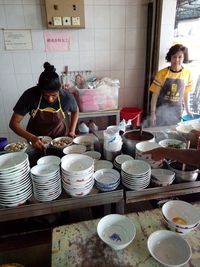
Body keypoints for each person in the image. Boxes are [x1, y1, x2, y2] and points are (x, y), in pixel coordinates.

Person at [9, 62, 79, 151]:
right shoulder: (30, 95)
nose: (50, 99)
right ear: (39, 89)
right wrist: (32, 138)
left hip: (59, 138)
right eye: (46, 95)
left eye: (54, 95)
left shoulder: (66, 97)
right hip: (35, 139)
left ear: (59, 89)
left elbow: (75, 110)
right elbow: (13, 123)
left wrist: (72, 130)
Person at [149, 44, 193, 126]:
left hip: (177, 112)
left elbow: (186, 94)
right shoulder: (162, 73)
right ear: (170, 58)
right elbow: (155, 95)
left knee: (175, 132)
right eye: (174, 57)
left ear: (184, 58)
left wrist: (188, 110)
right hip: (161, 110)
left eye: (180, 57)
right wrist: (152, 113)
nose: (177, 60)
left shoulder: (187, 74)